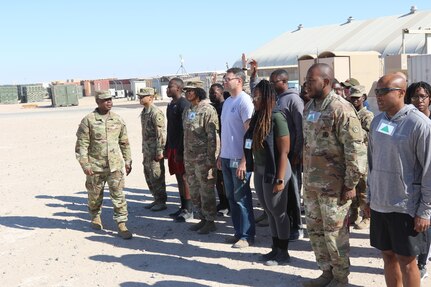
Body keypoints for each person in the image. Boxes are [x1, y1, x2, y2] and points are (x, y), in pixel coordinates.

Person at [302, 63, 366, 287]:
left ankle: (341, 278)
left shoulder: (341, 108)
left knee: (335, 235)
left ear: (326, 82)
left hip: (334, 187)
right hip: (311, 185)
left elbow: (356, 150)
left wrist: (351, 184)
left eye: (311, 80)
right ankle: (326, 272)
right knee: (316, 233)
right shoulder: (310, 107)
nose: (307, 84)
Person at [244, 79, 292, 266]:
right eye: (253, 95)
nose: (253, 99)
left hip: (276, 171)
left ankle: (284, 252)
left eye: (256, 96)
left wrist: (280, 179)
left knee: (278, 212)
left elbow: (284, 151)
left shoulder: (277, 117)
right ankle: (275, 248)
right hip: (261, 170)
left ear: (266, 97)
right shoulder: (258, 116)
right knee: (269, 210)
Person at [75, 90, 133, 240]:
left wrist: (127, 160)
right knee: (94, 195)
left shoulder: (118, 119)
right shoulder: (88, 120)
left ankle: (121, 223)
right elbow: (82, 145)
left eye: (110, 99)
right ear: (98, 102)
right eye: (105, 100)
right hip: (95, 166)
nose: (109, 102)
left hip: (115, 166)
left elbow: (124, 142)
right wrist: (85, 164)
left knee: (118, 195)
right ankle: (95, 216)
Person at [217, 67, 255, 248]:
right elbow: (226, 132)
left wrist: (245, 160)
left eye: (227, 78)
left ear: (238, 81)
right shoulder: (227, 103)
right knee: (231, 197)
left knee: (242, 197)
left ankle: (247, 235)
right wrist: (220, 155)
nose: (224, 81)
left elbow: (249, 135)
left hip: (239, 159)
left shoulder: (244, 101)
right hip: (226, 157)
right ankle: (238, 231)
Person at [269, 68, 304, 241]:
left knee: (293, 191)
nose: (271, 85)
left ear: (283, 81)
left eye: (273, 82)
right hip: (279, 155)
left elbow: (300, 128)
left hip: (291, 155)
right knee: (283, 193)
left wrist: (297, 152)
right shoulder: (276, 100)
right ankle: (286, 224)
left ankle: (297, 226)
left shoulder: (293, 99)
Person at [401, 80, 431, 281]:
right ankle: (420, 261)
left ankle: (422, 261)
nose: (418, 100)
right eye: (414, 96)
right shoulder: (409, 122)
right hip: (417, 184)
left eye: (422, 96)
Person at [183, 80, 220, 234]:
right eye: (186, 91)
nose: (188, 93)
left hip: (204, 159)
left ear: (198, 91)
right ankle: (202, 218)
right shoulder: (188, 110)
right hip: (190, 158)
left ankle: (210, 220)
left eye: (191, 90)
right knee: (195, 189)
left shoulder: (208, 110)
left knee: (206, 191)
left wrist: (211, 161)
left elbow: (213, 138)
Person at [165, 78, 193, 222]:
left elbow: (185, 130)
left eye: (170, 87)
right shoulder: (171, 105)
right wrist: (167, 147)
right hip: (173, 147)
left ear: (179, 88)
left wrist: (181, 151)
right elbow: (170, 128)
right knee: (178, 177)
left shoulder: (184, 104)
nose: (168, 89)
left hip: (181, 148)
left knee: (184, 177)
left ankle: (189, 209)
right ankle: (182, 207)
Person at [347, 85, 374, 230]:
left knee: (363, 189)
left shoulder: (367, 115)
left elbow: (370, 135)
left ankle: (367, 216)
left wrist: (356, 133)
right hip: (351, 156)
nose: (355, 100)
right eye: (352, 98)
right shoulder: (350, 113)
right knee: (353, 187)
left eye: (357, 97)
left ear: (363, 98)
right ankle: (354, 214)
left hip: (363, 157)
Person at [138, 87, 167, 212]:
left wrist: (160, 151)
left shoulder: (155, 112)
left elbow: (161, 133)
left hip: (155, 151)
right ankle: (156, 198)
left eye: (143, 96)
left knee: (157, 175)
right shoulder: (145, 112)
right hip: (147, 150)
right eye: (140, 96)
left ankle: (161, 201)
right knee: (148, 174)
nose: (140, 98)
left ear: (151, 97)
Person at [209, 83, 230, 216]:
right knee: (217, 179)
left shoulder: (225, 107)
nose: (211, 95)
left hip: (224, 146)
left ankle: (227, 204)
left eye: (214, 93)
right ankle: (222, 202)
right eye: (210, 93)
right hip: (214, 147)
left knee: (224, 179)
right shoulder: (212, 108)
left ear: (221, 92)